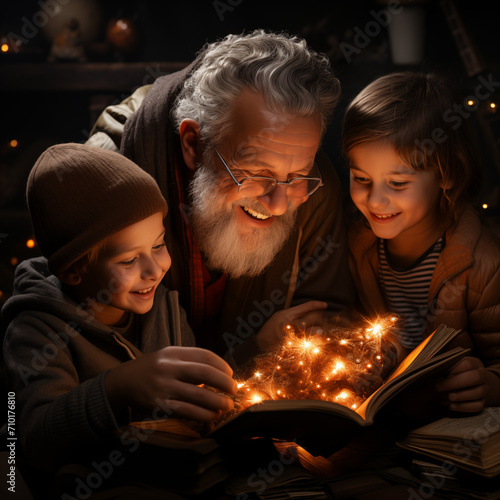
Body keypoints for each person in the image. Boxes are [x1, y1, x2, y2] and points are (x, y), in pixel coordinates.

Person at [86, 29, 357, 369]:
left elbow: (330, 320)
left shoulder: (312, 183)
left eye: (294, 177)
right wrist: (253, 354)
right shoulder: (109, 171)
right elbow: (85, 348)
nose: (278, 204)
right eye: (257, 173)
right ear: (193, 144)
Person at [0, 143, 237, 496]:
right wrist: (114, 389)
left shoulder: (168, 310)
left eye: (158, 245)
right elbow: (29, 440)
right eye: (129, 261)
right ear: (75, 270)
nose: (155, 269)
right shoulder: (35, 329)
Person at [342, 71, 500, 414]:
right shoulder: (355, 248)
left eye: (397, 183)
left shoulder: (484, 264)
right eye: (361, 179)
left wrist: (488, 385)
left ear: (446, 174)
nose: (375, 201)